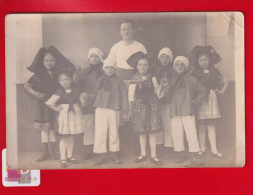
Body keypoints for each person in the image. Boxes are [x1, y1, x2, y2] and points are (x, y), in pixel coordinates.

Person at [24, 46, 74, 162]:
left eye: (51, 60)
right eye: (46, 60)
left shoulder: (59, 74)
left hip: (56, 105)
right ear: (43, 61)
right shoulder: (39, 74)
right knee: (44, 129)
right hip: (43, 106)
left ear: (56, 61)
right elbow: (27, 85)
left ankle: (53, 151)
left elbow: (67, 83)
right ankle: (45, 152)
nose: (49, 62)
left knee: (53, 128)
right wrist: (36, 94)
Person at [160, 56, 207, 164]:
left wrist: (194, 101)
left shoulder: (191, 79)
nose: (179, 67)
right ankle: (181, 154)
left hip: (188, 110)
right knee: (177, 133)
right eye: (177, 64)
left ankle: (193, 154)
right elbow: (166, 98)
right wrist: (166, 87)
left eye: (182, 64)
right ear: (174, 67)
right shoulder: (171, 81)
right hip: (175, 111)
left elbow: (202, 91)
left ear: (186, 67)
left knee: (191, 132)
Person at [191, 45, 229, 159]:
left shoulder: (215, 71)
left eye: (206, 60)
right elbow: (192, 85)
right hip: (201, 100)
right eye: (201, 60)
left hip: (212, 99)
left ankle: (214, 150)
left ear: (210, 60)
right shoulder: (195, 72)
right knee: (202, 126)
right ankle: (202, 149)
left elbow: (226, 81)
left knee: (211, 125)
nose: (203, 62)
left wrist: (221, 91)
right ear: (198, 61)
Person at [127, 52, 163, 165]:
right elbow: (131, 95)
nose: (143, 67)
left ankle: (154, 155)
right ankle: (143, 154)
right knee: (142, 132)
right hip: (139, 107)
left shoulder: (152, 78)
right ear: (136, 67)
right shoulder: (133, 79)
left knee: (152, 131)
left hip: (152, 105)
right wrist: (130, 109)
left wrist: (162, 87)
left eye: (145, 64)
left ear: (149, 66)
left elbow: (157, 91)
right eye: (140, 64)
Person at [93, 57, 129, 165]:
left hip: (114, 109)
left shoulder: (119, 81)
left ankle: (114, 153)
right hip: (101, 108)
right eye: (107, 67)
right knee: (100, 132)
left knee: (114, 131)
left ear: (115, 69)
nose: (109, 70)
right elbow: (96, 93)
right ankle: (102, 154)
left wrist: (125, 110)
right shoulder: (100, 80)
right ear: (104, 69)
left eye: (112, 68)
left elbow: (124, 96)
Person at [46, 71, 84, 168]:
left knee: (71, 136)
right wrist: (57, 108)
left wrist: (82, 102)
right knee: (64, 137)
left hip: (74, 115)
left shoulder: (76, 90)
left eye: (66, 79)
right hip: (64, 116)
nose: (64, 82)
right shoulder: (59, 92)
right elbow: (50, 102)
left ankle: (70, 156)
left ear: (71, 80)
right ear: (59, 82)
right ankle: (63, 158)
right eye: (62, 80)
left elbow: (82, 100)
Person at [75, 48, 104, 160]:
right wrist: (77, 75)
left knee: (101, 125)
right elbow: (78, 85)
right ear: (88, 58)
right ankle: (88, 149)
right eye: (92, 56)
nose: (94, 59)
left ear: (100, 58)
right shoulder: (84, 71)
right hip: (88, 101)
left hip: (100, 100)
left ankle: (100, 149)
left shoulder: (104, 71)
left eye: (96, 56)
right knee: (88, 125)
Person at [152, 47, 174, 158]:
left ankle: (168, 147)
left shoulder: (174, 70)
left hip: (170, 101)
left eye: (167, 57)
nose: (164, 59)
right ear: (159, 59)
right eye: (162, 57)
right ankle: (158, 147)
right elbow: (153, 85)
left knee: (169, 124)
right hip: (158, 101)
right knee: (159, 124)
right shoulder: (155, 71)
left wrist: (168, 87)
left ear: (171, 59)